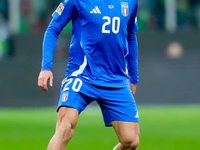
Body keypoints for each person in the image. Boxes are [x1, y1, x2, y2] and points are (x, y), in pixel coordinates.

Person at [38, 0, 140, 149]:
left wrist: (134, 76)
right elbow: (53, 29)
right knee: (65, 127)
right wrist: (46, 67)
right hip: (82, 75)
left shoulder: (130, 2)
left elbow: (131, 35)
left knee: (131, 141)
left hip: (116, 79)